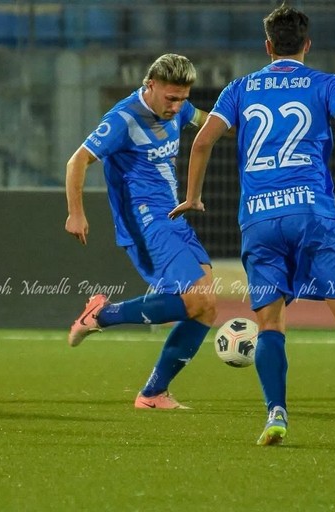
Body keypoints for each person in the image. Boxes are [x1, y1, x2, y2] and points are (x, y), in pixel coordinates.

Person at [169, 6, 335, 444]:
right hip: (313, 215)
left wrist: (193, 196)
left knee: (270, 325)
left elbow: (202, 141)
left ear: (267, 46)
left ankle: (276, 415)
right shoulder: (326, 84)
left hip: (260, 219)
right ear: (307, 45)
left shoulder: (240, 88)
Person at [65, 53, 219, 410]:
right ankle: (101, 315)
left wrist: (254, 127)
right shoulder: (122, 119)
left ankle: (152, 394)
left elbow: (209, 123)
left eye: (183, 97)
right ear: (150, 85)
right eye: (171, 97)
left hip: (173, 216)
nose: (178, 105)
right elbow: (77, 161)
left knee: (206, 310)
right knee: (198, 300)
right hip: (146, 221)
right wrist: (76, 213)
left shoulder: (179, 107)